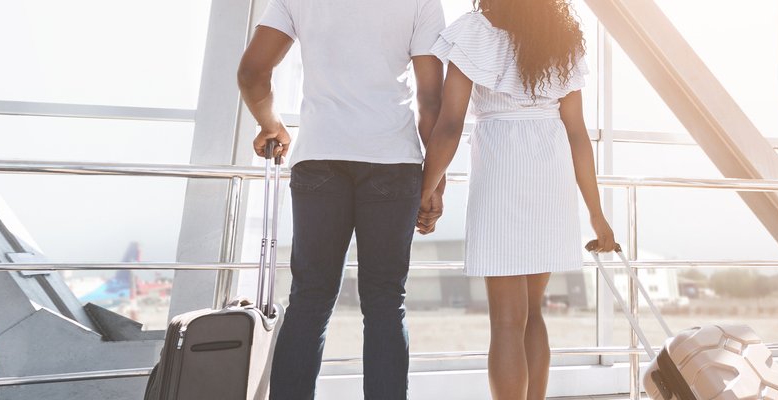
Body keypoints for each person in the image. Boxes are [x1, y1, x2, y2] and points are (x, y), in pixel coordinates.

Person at [236, 0, 446, 397]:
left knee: (309, 299)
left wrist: (271, 125)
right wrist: (435, 181)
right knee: (385, 304)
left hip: (319, 158)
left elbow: (252, 72)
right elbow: (431, 101)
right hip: (392, 159)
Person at [416, 0, 616, 398]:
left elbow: (450, 124)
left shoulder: (474, 30)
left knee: (507, 320)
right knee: (533, 312)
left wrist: (424, 191)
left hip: (501, 165)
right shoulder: (561, 37)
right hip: (550, 166)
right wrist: (597, 214)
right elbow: (576, 132)